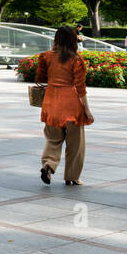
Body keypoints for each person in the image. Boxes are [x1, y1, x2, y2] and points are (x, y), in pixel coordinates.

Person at [35, 25, 93, 186]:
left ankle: (48, 165)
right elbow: (81, 88)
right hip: (72, 104)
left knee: (53, 139)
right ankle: (72, 177)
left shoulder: (46, 56)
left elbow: (40, 78)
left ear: (56, 39)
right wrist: (87, 110)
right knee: (76, 143)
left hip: (51, 101)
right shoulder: (76, 59)